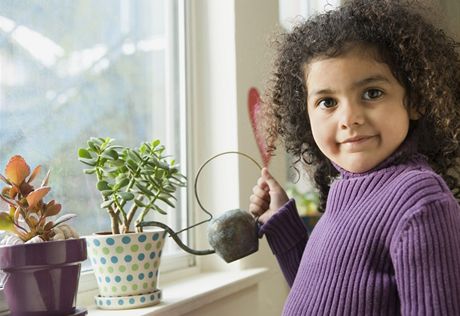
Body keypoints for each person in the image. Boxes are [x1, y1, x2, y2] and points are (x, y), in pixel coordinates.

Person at [248, 0, 460, 315]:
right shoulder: (344, 191)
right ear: (306, 115)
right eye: (328, 101)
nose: (349, 118)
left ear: (415, 101)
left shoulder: (419, 199)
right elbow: (323, 296)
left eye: (372, 93)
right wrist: (280, 221)